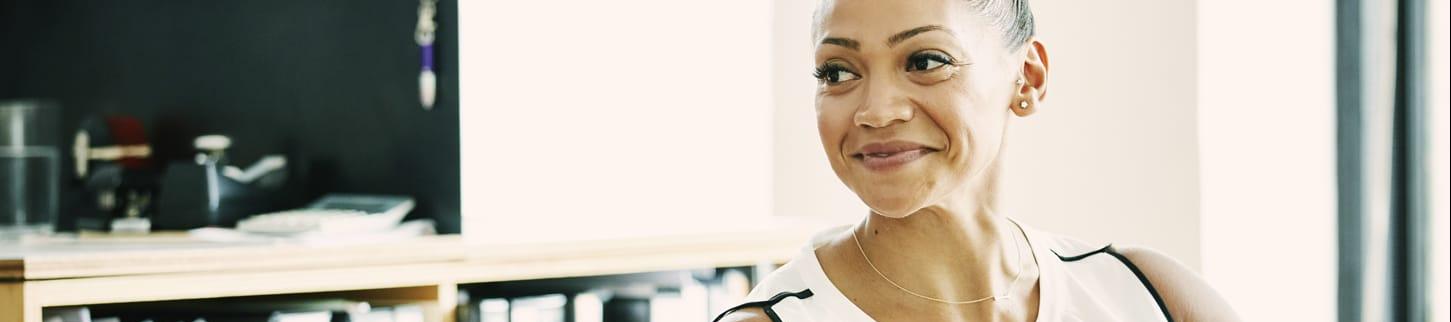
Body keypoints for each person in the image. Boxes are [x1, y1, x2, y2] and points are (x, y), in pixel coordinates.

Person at [715, 0, 1240, 321]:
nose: (875, 111)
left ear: (1027, 77)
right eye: (837, 72)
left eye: (925, 61)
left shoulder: (1150, 297)